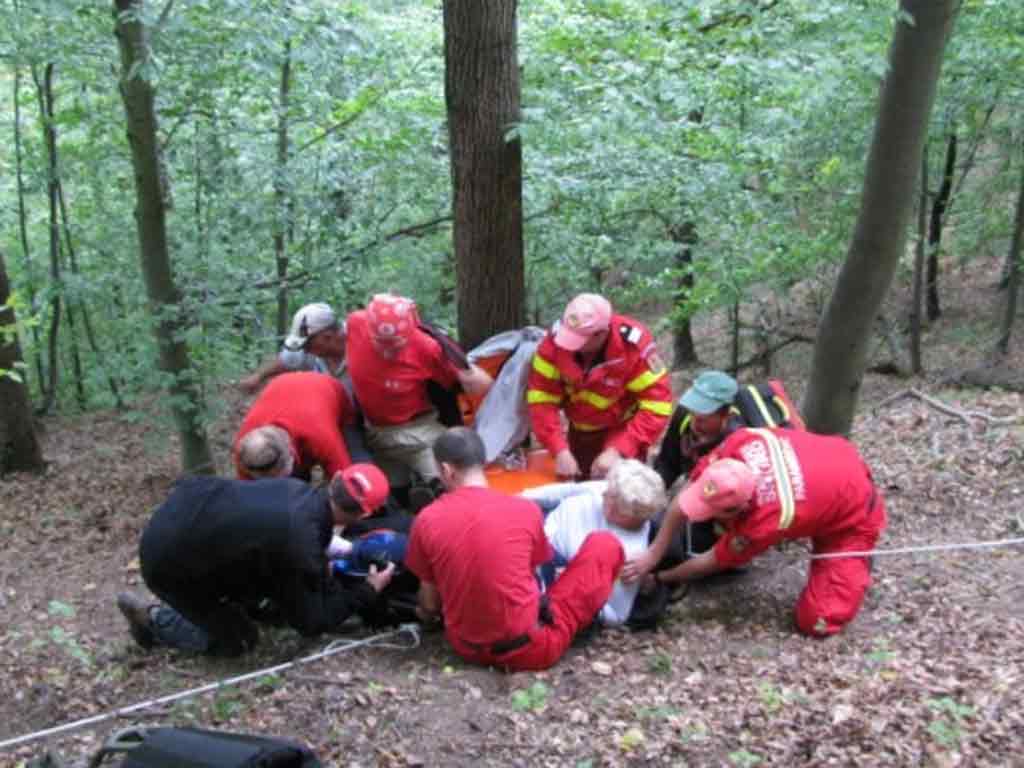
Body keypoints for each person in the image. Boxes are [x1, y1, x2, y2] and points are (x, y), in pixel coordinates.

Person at [623, 427, 887, 637]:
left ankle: (855, 558)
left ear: (740, 508)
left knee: (817, 620)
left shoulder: (767, 519)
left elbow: (713, 560)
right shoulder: (738, 444)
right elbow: (685, 497)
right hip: (831, 463)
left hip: (853, 514)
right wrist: (653, 553)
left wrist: (661, 578)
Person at [405, 427, 625, 671]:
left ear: (446, 470)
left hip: (465, 648)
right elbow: (534, 573)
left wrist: (426, 615)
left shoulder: (425, 520)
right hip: (530, 649)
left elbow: (430, 604)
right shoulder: (525, 509)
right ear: (483, 462)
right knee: (605, 545)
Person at [116, 472, 395, 656]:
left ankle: (232, 601)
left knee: (269, 601)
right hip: (167, 563)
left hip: (176, 521)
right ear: (365, 514)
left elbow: (302, 539)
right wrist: (367, 590)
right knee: (241, 640)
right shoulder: (298, 544)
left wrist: (337, 557)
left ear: (334, 479)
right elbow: (311, 622)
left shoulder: (296, 491)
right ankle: (153, 620)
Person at [345, 294, 493, 496]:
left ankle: (437, 493)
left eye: (396, 345)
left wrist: (462, 366)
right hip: (375, 433)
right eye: (380, 343)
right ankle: (410, 497)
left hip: (418, 432)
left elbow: (481, 385)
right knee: (388, 495)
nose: (388, 353)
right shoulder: (355, 323)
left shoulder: (427, 346)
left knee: (457, 483)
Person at [526, 293, 672, 480]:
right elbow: (541, 399)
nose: (571, 346)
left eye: (580, 339)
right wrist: (559, 448)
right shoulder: (553, 343)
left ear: (602, 333)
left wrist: (619, 449)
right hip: (579, 433)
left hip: (624, 430)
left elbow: (657, 406)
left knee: (623, 497)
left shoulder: (634, 347)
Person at [536, 459, 667, 626]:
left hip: (547, 564)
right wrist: (518, 499)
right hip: (539, 522)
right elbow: (562, 492)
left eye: (610, 497)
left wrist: (575, 586)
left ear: (626, 514)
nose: (603, 494)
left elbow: (617, 614)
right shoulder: (613, 489)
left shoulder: (630, 555)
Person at [653, 370, 740, 553]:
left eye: (702, 419)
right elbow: (668, 462)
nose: (694, 423)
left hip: (720, 507)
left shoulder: (738, 441)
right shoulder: (685, 414)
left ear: (725, 416)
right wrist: (652, 490)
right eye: (693, 415)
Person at [234, 371, 362, 481]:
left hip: (325, 389)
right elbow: (247, 490)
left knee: (357, 461)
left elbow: (345, 481)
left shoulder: (320, 434)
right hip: (284, 388)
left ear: (291, 451)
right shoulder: (246, 453)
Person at [238, 303, 347, 394]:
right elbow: (285, 361)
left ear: (327, 336)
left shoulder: (359, 345)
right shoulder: (312, 352)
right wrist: (258, 377)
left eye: (307, 344)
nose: (305, 350)